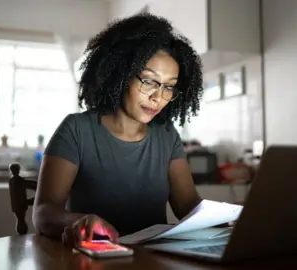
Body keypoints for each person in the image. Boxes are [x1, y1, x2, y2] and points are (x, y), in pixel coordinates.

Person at [32, 13, 204, 248]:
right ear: (121, 74)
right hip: (94, 259)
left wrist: (232, 220)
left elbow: (188, 206)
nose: (158, 97)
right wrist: (79, 221)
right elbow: (43, 213)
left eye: (169, 87)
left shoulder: (166, 134)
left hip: (153, 261)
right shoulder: (76, 129)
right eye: (149, 81)